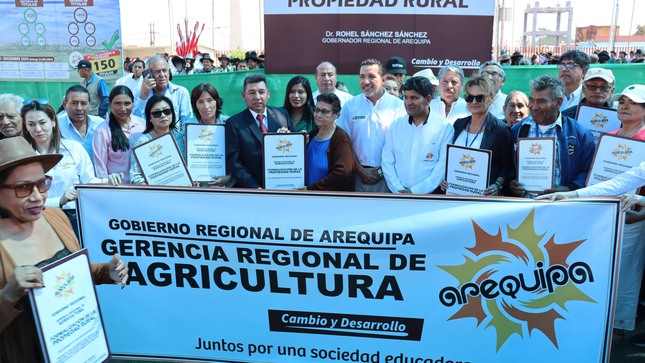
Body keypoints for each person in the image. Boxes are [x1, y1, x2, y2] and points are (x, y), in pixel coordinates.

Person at [0, 136, 128, 362]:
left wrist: (105, 272)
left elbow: (70, 271)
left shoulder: (55, 217)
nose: (38, 196)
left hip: (78, 349)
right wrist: (9, 295)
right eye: (23, 188)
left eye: (42, 183)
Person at [21, 100, 120, 235]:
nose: (38, 129)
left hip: (74, 218)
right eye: (31, 124)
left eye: (42, 123)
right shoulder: (22, 157)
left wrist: (107, 181)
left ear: (53, 122)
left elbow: (88, 181)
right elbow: (23, 199)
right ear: (25, 127)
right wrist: (58, 201)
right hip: (38, 221)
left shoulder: (73, 148)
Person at [509, 75, 595, 198]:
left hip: (560, 207)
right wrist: (511, 182)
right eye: (532, 100)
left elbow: (589, 170)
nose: (534, 106)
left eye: (541, 101)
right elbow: (507, 167)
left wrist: (569, 188)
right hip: (525, 207)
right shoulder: (518, 130)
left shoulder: (579, 134)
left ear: (558, 102)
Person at [336, 58, 407, 192]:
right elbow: (343, 143)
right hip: (357, 176)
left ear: (383, 79)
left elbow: (402, 144)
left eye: (371, 76)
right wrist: (360, 170)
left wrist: (383, 170)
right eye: (362, 77)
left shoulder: (398, 107)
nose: (365, 81)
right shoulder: (350, 106)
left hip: (389, 177)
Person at [440, 76, 514, 195]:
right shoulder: (458, 124)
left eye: (479, 98)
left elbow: (506, 166)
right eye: (469, 97)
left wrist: (497, 184)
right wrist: (444, 178)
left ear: (490, 99)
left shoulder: (501, 130)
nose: (474, 102)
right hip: (454, 194)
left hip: (481, 199)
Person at [381, 76, 453, 194]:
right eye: (406, 97)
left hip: (430, 198)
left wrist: (415, 192)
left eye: (414, 98)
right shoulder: (396, 126)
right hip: (397, 196)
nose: (408, 103)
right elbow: (387, 161)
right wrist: (398, 190)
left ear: (428, 99)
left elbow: (441, 168)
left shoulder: (444, 128)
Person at [225, 74, 294, 188]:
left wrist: (292, 139)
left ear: (268, 94)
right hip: (251, 189)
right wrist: (255, 188)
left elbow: (295, 149)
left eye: (261, 92)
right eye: (251, 93)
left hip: (282, 185)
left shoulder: (283, 115)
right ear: (243, 96)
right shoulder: (234, 123)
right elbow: (234, 162)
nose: (257, 97)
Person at [92, 86, 146, 184]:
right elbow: (100, 169)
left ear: (133, 104)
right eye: (117, 103)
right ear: (109, 104)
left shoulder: (143, 125)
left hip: (143, 186)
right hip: (118, 189)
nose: (123, 108)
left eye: (127, 103)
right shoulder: (102, 131)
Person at [301, 93, 354, 191]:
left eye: (324, 112)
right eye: (317, 110)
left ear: (336, 115)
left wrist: (311, 188)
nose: (318, 115)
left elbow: (343, 173)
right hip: (307, 196)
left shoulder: (341, 138)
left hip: (329, 199)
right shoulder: (311, 135)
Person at [129, 95, 186, 185]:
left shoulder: (180, 137)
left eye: (167, 111)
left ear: (172, 114)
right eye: (156, 113)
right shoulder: (142, 142)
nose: (163, 116)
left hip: (182, 190)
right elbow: (135, 177)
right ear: (150, 118)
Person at [188, 83, 232, 187]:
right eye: (200, 102)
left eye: (210, 100)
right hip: (198, 188)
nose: (206, 106)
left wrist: (230, 176)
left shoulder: (229, 123)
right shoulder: (187, 126)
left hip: (226, 186)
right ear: (195, 105)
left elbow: (238, 156)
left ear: (217, 102)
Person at [133, 55, 193, 127]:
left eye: (164, 70)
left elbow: (186, 122)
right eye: (157, 72)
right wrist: (143, 97)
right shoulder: (141, 94)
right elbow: (135, 122)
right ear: (149, 74)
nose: (162, 75)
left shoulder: (181, 92)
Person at [58, 85, 104, 161]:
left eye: (83, 103)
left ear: (90, 105)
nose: (79, 108)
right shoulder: (56, 127)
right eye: (74, 103)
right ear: (65, 104)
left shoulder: (101, 124)